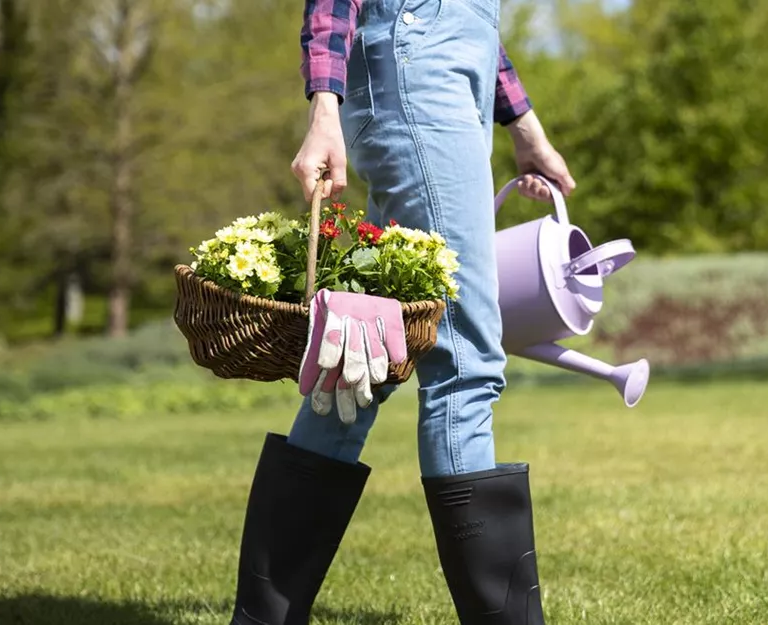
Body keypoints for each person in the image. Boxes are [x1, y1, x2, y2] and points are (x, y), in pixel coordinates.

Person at [229, 1, 576, 624]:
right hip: (419, 79)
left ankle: (264, 618)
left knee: (363, 358)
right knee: (464, 360)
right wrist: (324, 108)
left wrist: (522, 123)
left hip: (445, 79)